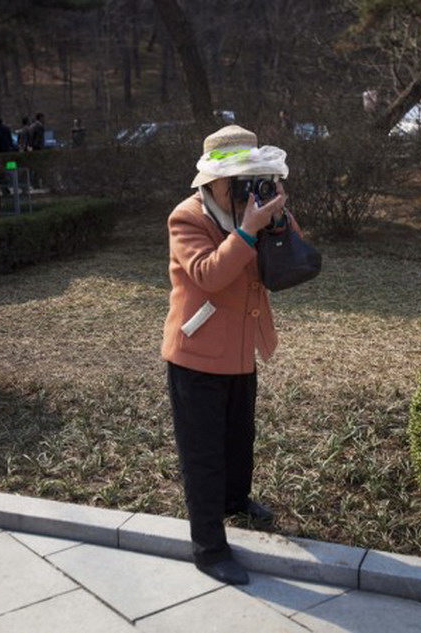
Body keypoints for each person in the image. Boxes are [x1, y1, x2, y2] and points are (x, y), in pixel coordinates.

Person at [161, 124, 295, 586]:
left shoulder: (251, 209)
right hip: (196, 354)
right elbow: (208, 274)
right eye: (238, 179)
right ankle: (209, 548)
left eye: (251, 176)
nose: (244, 186)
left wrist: (277, 217)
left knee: (240, 437)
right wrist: (247, 231)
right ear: (213, 181)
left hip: (241, 347)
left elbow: (290, 258)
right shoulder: (188, 216)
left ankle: (236, 501)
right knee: (204, 453)